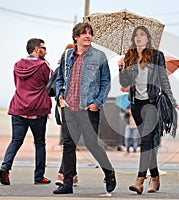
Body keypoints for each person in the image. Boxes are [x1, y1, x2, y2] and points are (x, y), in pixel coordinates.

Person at [53, 22, 116, 194]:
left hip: (88, 108)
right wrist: (60, 98)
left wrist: (97, 103)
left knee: (91, 144)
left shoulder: (99, 56)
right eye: (84, 33)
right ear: (76, 37)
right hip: (69, 107)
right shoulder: (67, 55)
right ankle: (67, 184)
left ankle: (109, 172)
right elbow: (59, 79)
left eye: (90, 33)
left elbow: (105, 82)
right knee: (68, 145)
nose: (88, 36)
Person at [118, 26, 179, 195]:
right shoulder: (129, 56)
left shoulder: (156, 56)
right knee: (148, 145)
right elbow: (124, 83)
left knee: (146, 141)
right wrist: (121, 68)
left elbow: (163, 80)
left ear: (148, 39)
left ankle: (140, 180)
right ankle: (155, 177)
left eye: (142, 35)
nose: (139, 37)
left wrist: (173, 101)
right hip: (136, 105)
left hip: (152, 104)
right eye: (136, 35)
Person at [0, 38, 52, 185]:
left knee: (16, 141)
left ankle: (5, 167)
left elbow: (18, 84)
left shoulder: (17, 65)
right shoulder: (43, 66)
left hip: (18, 107)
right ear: (36, 49)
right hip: (38, 110)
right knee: (40, 143)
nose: (46, 50)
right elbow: (50, 83)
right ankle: (39, 176)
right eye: (43, 48)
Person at [54, 43, 79, 187]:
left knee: (70, 143)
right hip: (66, 106)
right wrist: (60, 99)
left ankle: (71, 174)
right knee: (69, 143)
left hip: (82, 108)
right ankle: (65, 174)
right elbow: (59, 82)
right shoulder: (64, 68)